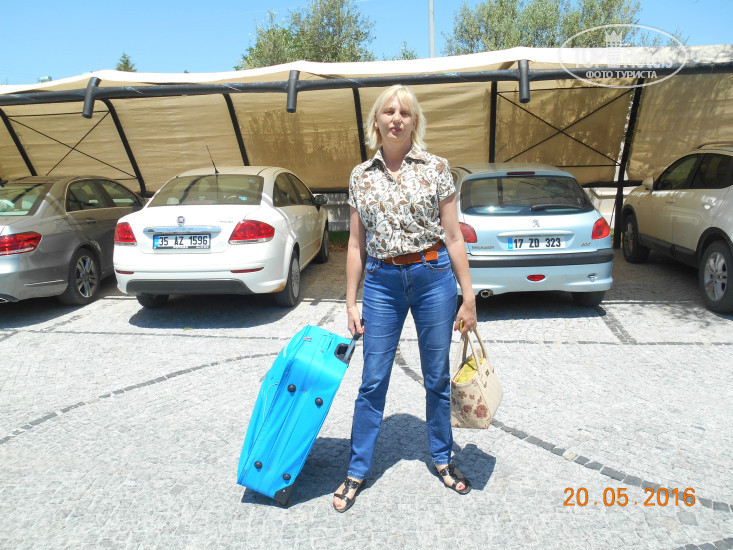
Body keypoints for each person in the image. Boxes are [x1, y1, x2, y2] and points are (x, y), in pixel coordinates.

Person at [333, 85, 478, 513]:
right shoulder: (361, 176)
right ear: (376, 121)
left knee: (436, 375)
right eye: (389, 111)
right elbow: (355, 245)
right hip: (381, 283)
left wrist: (468, 297)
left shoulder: (437, 168)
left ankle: (443, 458)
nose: (396, 119)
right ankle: (357, 469)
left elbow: (454, 237)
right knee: (373, 379)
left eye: (405, 113)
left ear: (415, 121)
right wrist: (351, 302)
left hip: (433, 278)